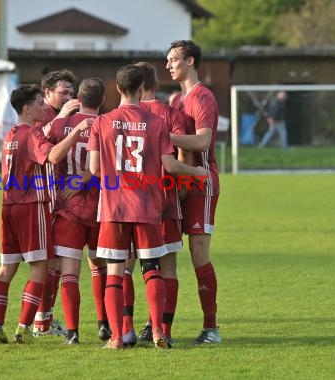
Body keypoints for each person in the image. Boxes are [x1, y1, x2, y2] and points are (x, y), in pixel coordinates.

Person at [87, 64, 208, 349]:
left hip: (113, 208)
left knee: (115, 273)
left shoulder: (101, 123)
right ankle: (158, 332)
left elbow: (94, 169)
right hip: (147, 207)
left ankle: (117, 337)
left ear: (117, 88)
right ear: (142, 89)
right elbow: (169, 164)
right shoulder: (156, 124)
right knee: (153, 270)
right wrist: (196, 173)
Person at [0, 84, 92, 344]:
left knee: (6, 269)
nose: (43, 106)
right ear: (26, 109)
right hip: (30, 207)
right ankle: (23, 329)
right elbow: (54, 157)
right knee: (39, 268)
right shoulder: (31, 134)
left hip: (7, 206)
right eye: (38, 102)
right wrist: (77, 130)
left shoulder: (10, 134)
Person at [45, 77, 109, 344]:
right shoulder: (109, 125)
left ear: (77, 99)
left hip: (68, 208)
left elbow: (42, 147)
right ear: (102, 101)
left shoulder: (60, 124)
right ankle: (104, 324)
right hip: (101, 206)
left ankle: (72, 333)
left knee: (70, 272)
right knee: (101, 268)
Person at [166, 40, 222, 344]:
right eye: (167, 60)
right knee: (166, 251)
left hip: (201, 182)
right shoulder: (175, 99)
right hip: (178, 183)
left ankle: (211, 328)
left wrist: (161, 135)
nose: (168, 65)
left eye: (173, 59)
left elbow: (201, 142)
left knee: (198, 253)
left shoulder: (203, 98)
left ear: (190, 61)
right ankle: (158, 324)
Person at [134, 61, 192, 348]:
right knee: (168, 268)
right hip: (165, 200)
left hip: (129, 203)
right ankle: (163, 329)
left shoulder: (120, 116)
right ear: (155, 85)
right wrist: (180, 191)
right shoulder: (170, 114)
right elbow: (184, 155)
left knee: (125, 268)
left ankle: (125, 330)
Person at [33, 69, 80, 336]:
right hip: (44, 197)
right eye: (63, 93)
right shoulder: (43, 115)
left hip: (61, 197)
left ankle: (44, 320)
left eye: (71, 93)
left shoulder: (69, 116)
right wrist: (63, 116)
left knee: (55, 262)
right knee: (49, 262)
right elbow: (43, 144)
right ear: (47, 92)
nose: (68, 97)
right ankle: (41, 321)